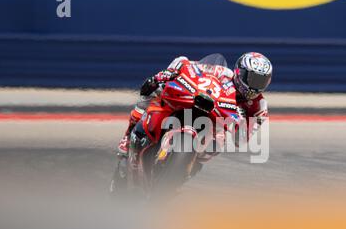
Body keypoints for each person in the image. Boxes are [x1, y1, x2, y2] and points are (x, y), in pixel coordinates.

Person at [117, 52, 273, 156]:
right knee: (155, 95)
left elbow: (241, 140)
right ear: (240, 72)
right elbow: (189, 65)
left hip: (214, 125)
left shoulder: (259, 107)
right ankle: (128, 136)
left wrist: (240, 121)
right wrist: (169, 73)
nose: (255, 85)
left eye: (261, 81)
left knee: (218, 143)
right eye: (252, 79)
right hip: (197, 102)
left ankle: (189, 168)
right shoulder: (223, 73)